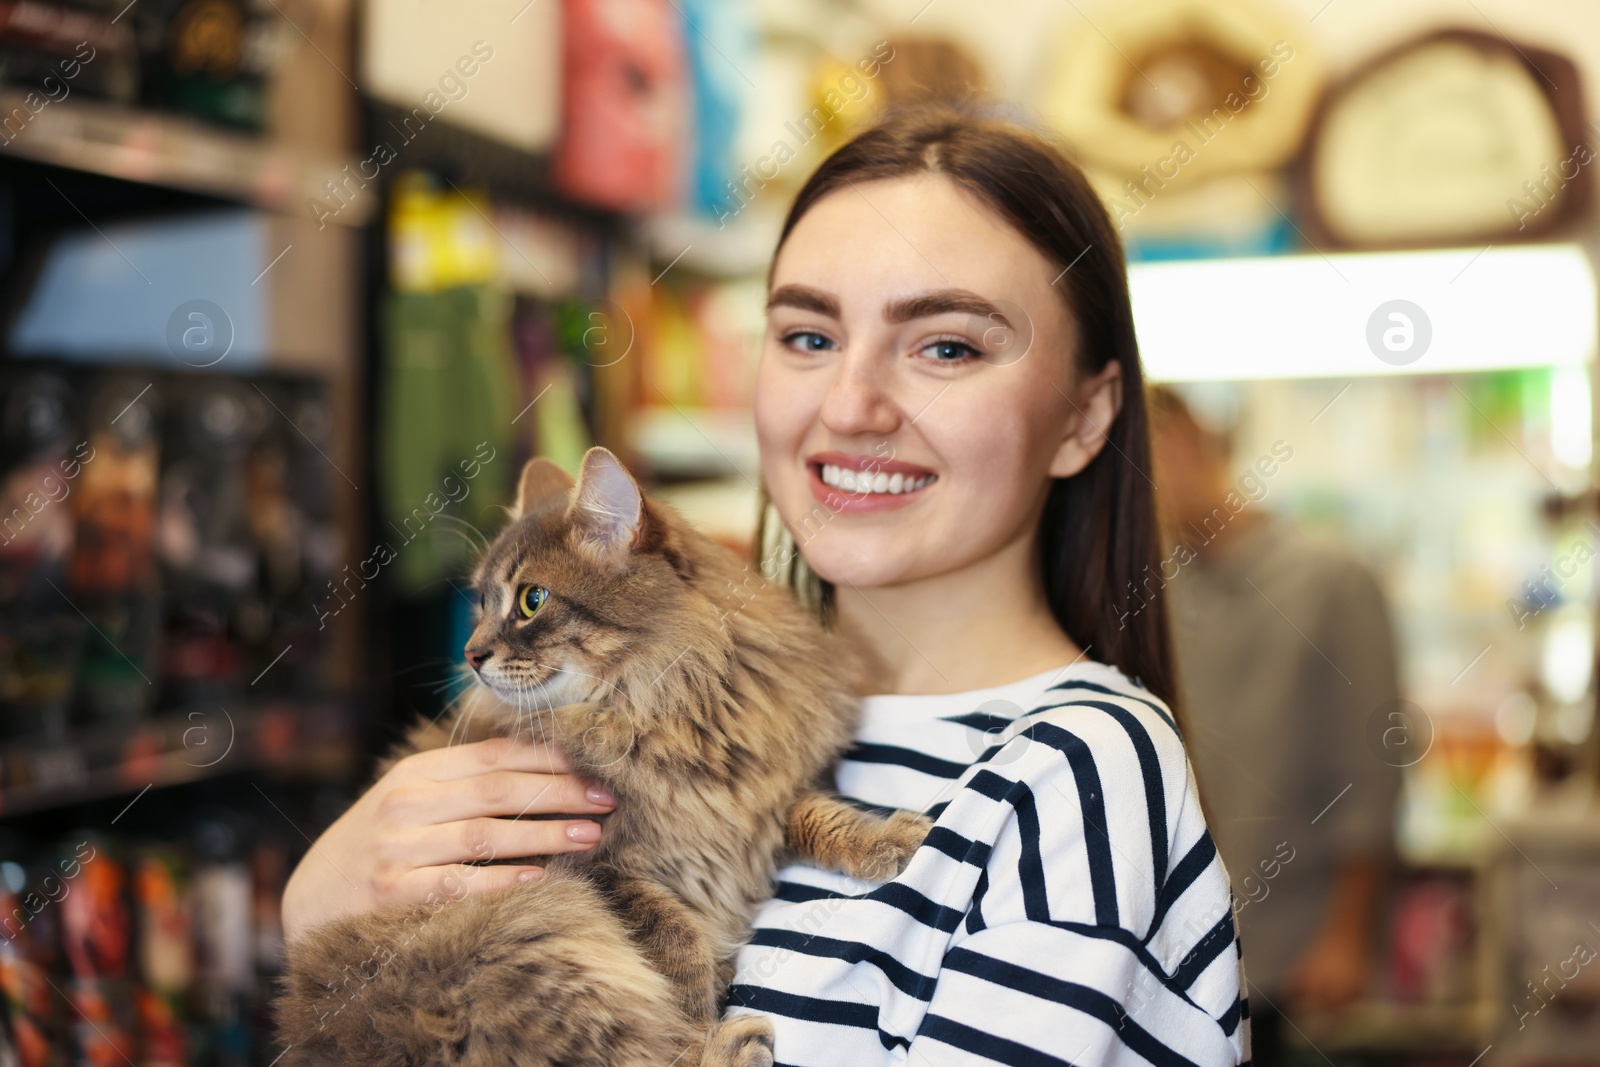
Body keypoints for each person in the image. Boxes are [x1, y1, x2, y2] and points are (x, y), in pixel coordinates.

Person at [281, 107, 1249, 1065]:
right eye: (807, 336)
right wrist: (320, 909)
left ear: (1085, 417)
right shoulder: (714, 724)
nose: (850, 404)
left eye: (945, 345)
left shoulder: (1073, 771)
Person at [1148, 386, 1402, 1064]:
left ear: (1184, 444)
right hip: (1192, 954)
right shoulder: (1161, 592)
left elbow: (1374, 771)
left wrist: (1347, 933)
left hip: (1298, 946)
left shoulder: (1328, 579)